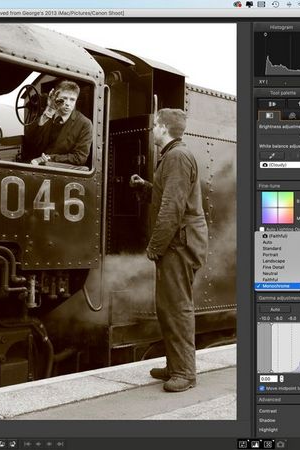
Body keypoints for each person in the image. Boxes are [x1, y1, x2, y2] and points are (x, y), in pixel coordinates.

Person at [129, 108, 208, 393]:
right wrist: (146, 187)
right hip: (179, 241)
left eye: (155, 125)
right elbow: (170, 195)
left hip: (179, 244)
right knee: (168, 306)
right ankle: (176, 365)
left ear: (163, 127)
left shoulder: (177, 157)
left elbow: (173, 207)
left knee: (176, 307)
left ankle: (185, 372)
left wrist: (155, 246)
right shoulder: (174, 156)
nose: (152, 129)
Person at [23, 79, 92, 169]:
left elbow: (80, 158)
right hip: (34, 166)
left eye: (72, 100)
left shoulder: (85, 124)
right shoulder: (45, 116)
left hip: (60, 170)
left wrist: (49, 158)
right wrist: (48, 112)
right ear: (56, 98)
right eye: (64, 98)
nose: (68, 103)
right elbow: (29, 141)